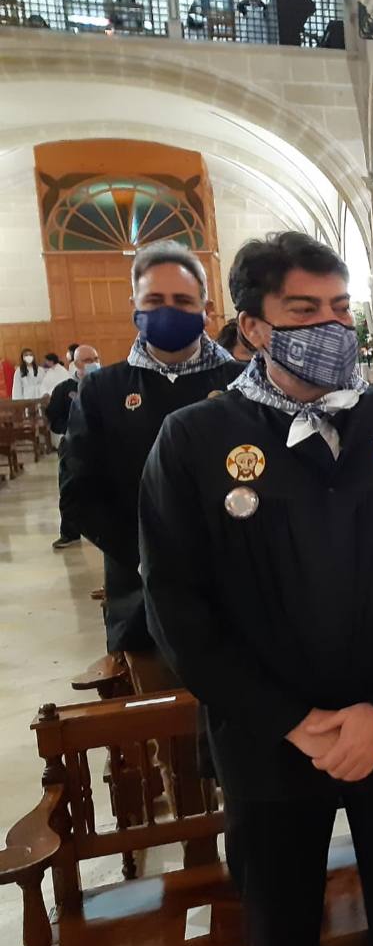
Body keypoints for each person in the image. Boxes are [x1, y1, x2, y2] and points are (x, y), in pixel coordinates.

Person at [138, 231, 373, 946]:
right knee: (282, 929)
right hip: (269, 743)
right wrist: (293, 721)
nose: (331, 326)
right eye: (304, 310)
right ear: (254, 326)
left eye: (340, 307)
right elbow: (177, 608)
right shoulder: (194, 440)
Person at [60, 241, 243, 678]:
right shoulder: (102, 391)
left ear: (206, 307)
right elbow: (80, 494)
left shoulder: (243, 384)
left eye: (182, 301)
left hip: (242, 595)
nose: (169, 310)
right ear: (134, 307)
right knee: (162, 736)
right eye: (154, 301)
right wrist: (152, 559)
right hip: (142, 600)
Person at [49, 344, 101, 550]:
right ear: (76, 364)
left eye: (95, 358)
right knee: (70, 489)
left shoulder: (106, 384)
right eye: (87, 361)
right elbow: (54, 418)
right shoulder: (64, 389)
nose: (92, 364)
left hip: (102, 444)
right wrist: (72, 430)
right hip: (72, 445)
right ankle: (69, 532)